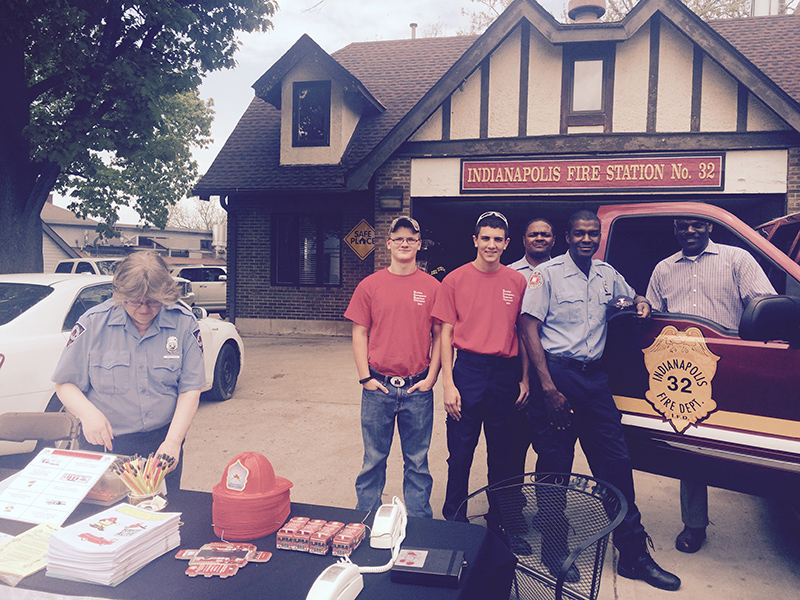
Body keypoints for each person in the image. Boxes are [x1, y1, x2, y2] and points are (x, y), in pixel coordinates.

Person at [520, 210, 681, 591]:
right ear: (568, 235)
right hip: (558, 376)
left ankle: (633, 554)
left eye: (593, 234)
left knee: (616, 464)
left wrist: (641, 301)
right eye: (579, 233)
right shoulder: (549, 274)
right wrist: (548, 388)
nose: (587, 239)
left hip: (595, 380)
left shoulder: (607, 274)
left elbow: (632, 294)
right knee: (555, 463)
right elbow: (528, 326)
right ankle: (555, 549)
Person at [646, 217, 776, 554]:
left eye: (696, 225)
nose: (690, 231)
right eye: (682, 226)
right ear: (674, 230)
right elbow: (651, 317)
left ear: (709, 228)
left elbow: (767, 308)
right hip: (683, 373)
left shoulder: (737, 260)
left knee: (754, 441)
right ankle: (695, 524)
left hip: (733, 365)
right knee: (693, 446)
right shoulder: (663, 269)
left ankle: (773, 506)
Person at [52, 251, 205, 490]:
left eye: (153, 301)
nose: (144, 309)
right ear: (120, 295)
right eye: (135, 301)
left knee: (161, 514)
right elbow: (64, 384)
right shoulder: (93, 323)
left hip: (161, 444)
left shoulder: (183, 322)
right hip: (105, 443)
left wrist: (174, 442)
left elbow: (190, 389)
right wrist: (88, 415)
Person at [432, 211, 529, 523]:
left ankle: (500, 521)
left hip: (504, 374)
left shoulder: (517, 281)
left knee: (503, 456)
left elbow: (523, 332)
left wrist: (524, 379)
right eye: (485, 238)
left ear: (506, 244)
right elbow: (445, 333)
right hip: (468, 371)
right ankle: (455, 520)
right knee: (460, 455)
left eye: (497, 239)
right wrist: (448, 383)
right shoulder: (454, 280)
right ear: (475, 240)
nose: (491, 244)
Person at [344, 216, 442, 518]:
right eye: (398, 238)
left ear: (419, 244)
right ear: (388, 244)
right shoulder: (370, 285)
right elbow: (359, 332)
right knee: (373, 459)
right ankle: (366, 519)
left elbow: (440, 335)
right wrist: (365, 378)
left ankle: (419, 523)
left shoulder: (432, 286)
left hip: (417, 388)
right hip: (379, 388)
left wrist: (431, 378)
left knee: (418, 462)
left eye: (411, 239)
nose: (404, 243)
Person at [507, 217, 556, 478]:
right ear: (523, 240)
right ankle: (511, 507)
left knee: (551, 446)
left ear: (554, 240)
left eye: (545, 234)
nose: (539, 238)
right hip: (517, 367)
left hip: (555, 367)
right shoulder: (509, 274)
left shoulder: (562, 272)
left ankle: (546, 511)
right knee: (514, 443)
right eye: (533, 234)